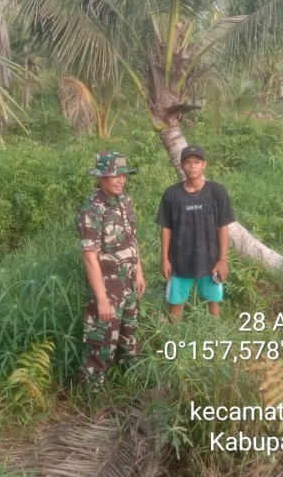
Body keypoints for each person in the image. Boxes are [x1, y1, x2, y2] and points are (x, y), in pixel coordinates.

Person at [76, 151, 146, 387]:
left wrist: (138, 272)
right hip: (108, 289)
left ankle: (131, 387)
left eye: (123, 175)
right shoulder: (92, 209)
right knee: (100, 343)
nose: (120, 180)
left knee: (130, 337)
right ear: (101, 177)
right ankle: (91, 396)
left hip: (129, 285)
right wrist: (102, 299)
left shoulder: (124, 201)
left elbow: (132, 239)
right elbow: (89, 258)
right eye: (115, 175)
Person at [156, 145, 235, 321]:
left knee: (213, 302)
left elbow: (223, 227)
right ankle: (175, 342)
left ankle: (215, 338)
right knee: (175, 303)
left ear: (204, 164)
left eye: (197, 162)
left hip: (210, 261)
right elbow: (166, 228)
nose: (193, 166)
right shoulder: (171, 194)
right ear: (182, 166)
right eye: (188, 162)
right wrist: (165, 259)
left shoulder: (217, 191)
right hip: (179, 261)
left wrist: (222, 260)